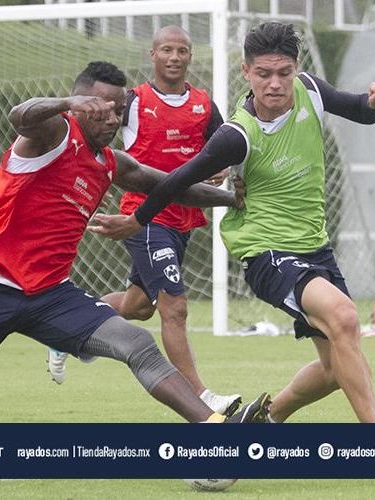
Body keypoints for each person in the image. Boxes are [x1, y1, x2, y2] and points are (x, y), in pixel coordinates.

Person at [0, 61, 271, 431]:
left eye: (119, 111)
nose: (112, 120)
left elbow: (173, 186)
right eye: (102, 109)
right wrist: (66, 103)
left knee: (137, 343)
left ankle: (215, 429)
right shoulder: (52, 134)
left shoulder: (112, 163)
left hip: (52, 297)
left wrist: (230, 200)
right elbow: (20, 116)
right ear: (81, 105)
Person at [89, 23, 375, 423]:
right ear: (246, 72)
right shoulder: (238, 134)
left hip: (314, 247)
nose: (275, 84)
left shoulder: (311, 91)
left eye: (283, 73)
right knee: (344, 317)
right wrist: (137, 219)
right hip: (266, 251)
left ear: (296, 69)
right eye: (264, 74)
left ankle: (260, 421)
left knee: (336, 367)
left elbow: (359, 110)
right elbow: (178, 180)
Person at [46, 26, 241, 417]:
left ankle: (64, 331)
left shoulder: (204, 104)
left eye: (182, 50)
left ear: (190, 56)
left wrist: (222, 169)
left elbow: (222, 147)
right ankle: (200, 396)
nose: (174, 57)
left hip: (184, 216)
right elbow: (99, 132)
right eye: (166, 49)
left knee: (138, 306)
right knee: (175, 307)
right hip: (145, 216)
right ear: (152, 55)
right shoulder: (132, 100)